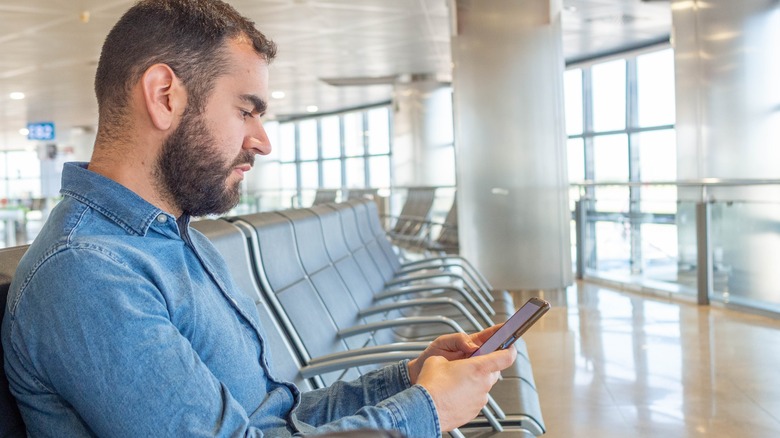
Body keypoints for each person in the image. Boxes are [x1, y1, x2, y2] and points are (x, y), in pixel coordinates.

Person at [1, 0, 516, 437]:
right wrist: (430, 410)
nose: (263, 142)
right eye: (246, 110)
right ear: (163, 97)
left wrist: (412, 380)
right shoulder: (89, 273)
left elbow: (276, 420)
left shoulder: (178, 242)